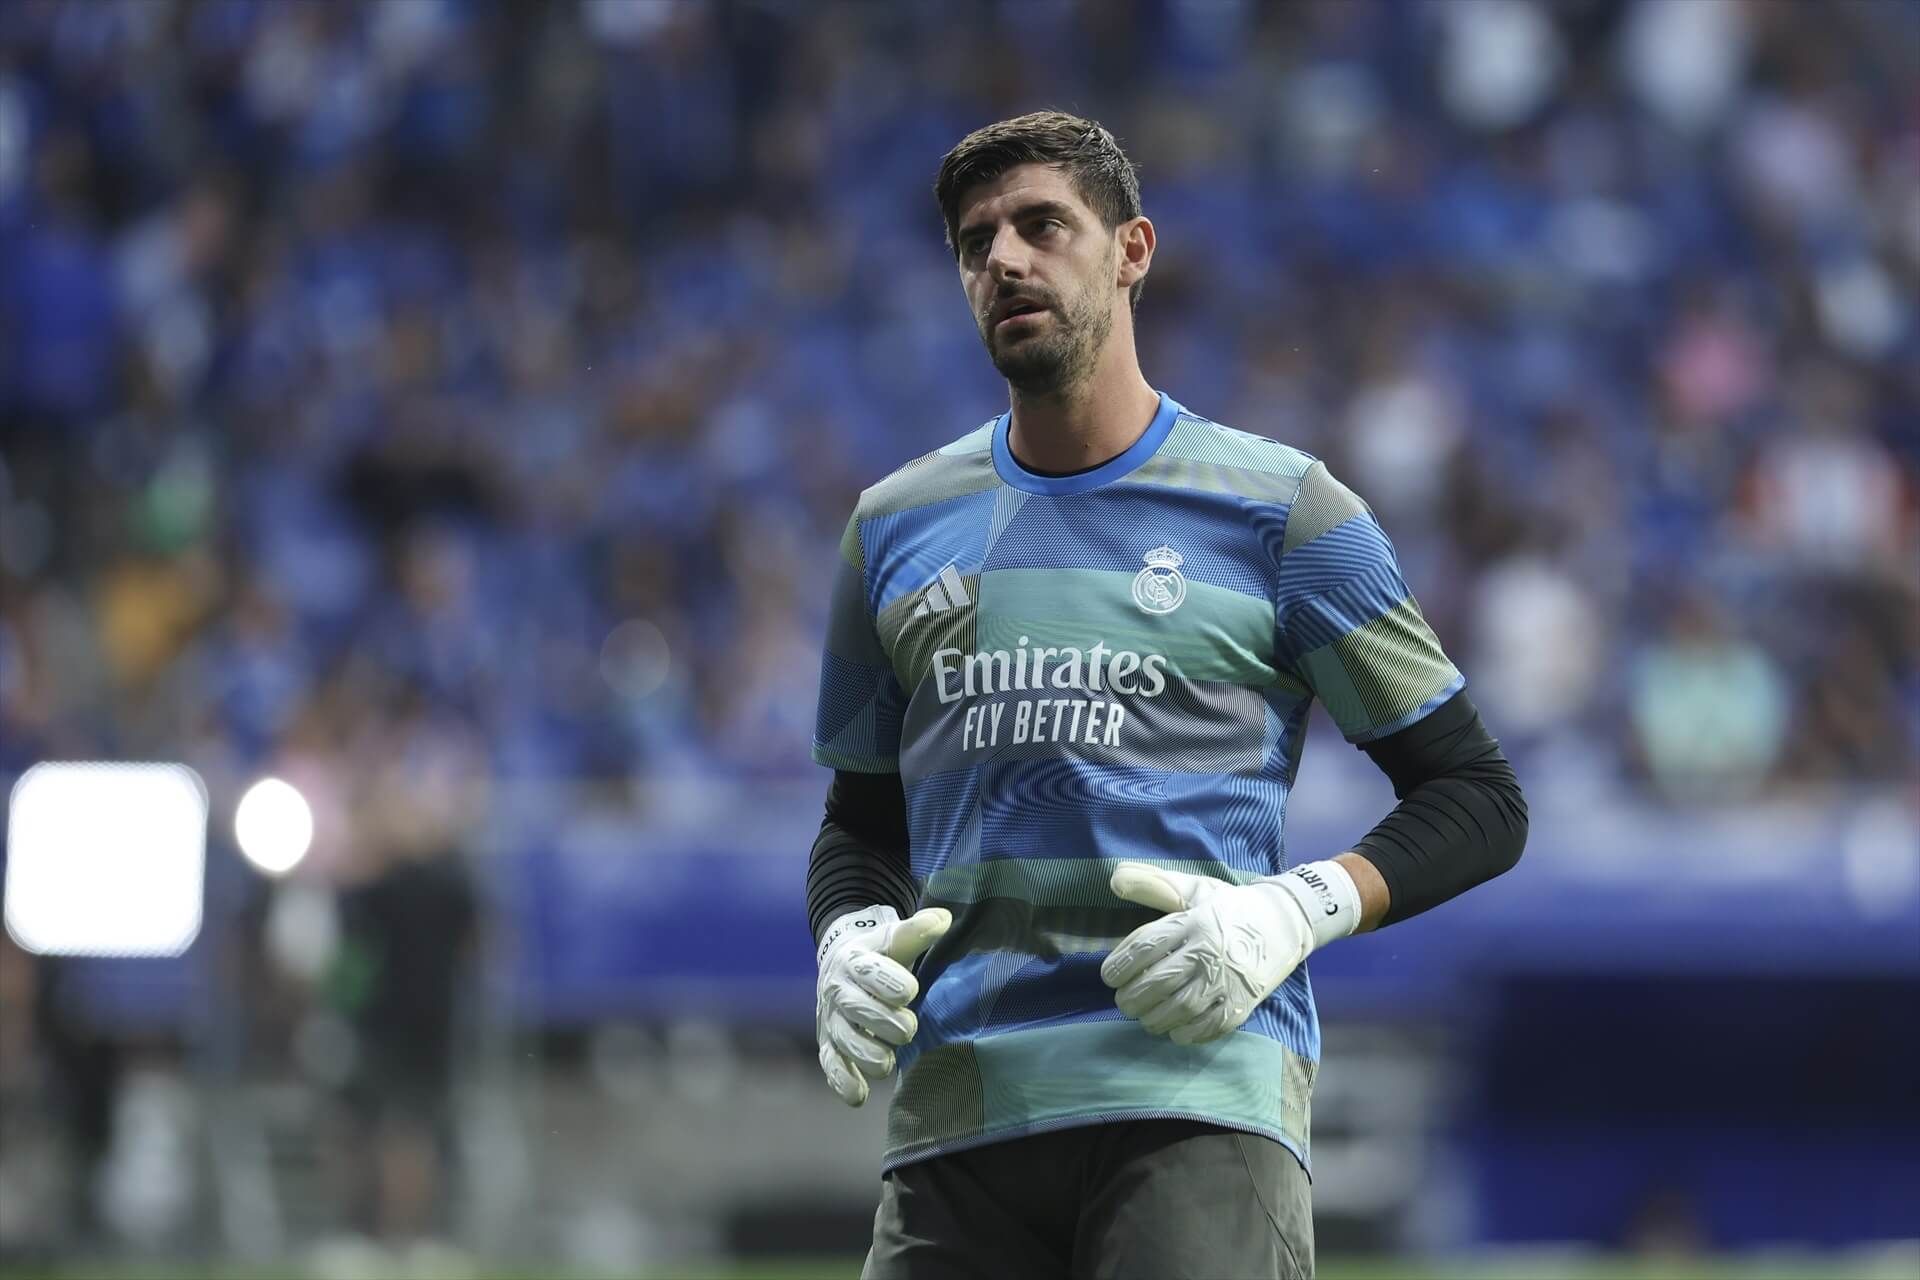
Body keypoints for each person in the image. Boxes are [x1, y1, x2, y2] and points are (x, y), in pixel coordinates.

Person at [807, 111, 1527, 1280]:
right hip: (955, 1122)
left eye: (1043, 225)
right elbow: (860, 825)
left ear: (1133, 250)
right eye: (977, 242)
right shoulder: (891, 528)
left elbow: (1478, 796)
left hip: (1197, 1099)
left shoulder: (1284, 510)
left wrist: (1291, 911)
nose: (1005, 259)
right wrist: (845, 939)